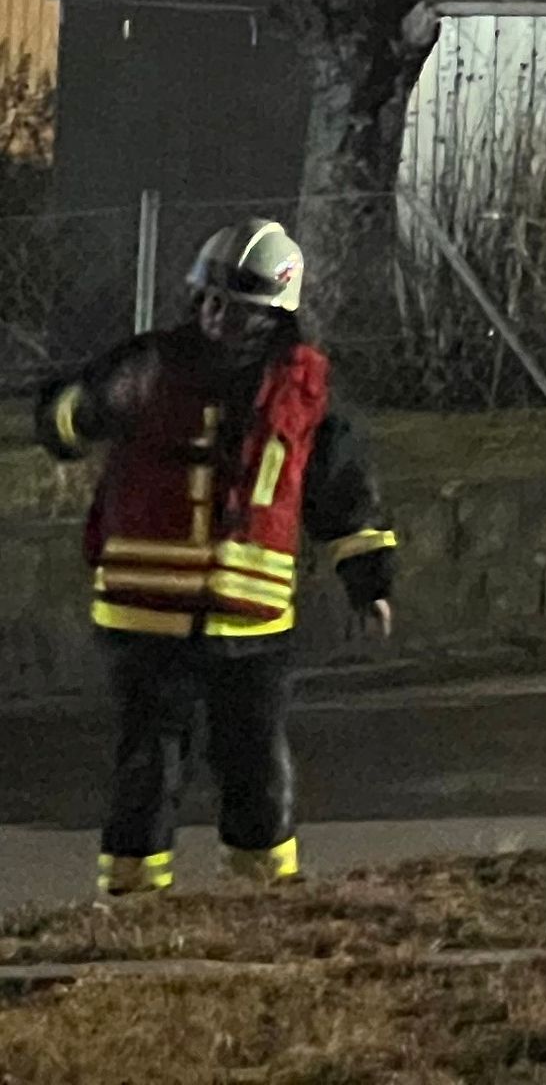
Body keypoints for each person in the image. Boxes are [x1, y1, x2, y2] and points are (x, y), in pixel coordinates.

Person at [32, 220, 395, 895]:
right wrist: (89, 410)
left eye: (235, 306)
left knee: (255, 767)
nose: (214, 316)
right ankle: (134, 905)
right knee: (149, 768)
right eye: (208, 299)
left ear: (274, 315)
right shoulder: (147, 364)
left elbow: (340, 492)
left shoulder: (305, 390)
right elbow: (58, 417)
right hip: (144, 617)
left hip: (251, 627)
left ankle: (263, 896)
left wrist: (367, 577)